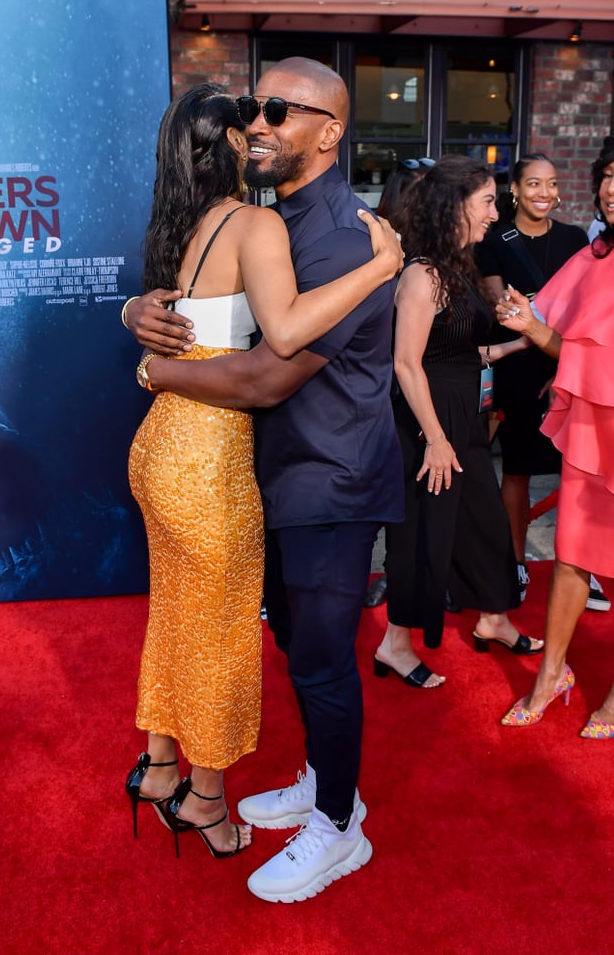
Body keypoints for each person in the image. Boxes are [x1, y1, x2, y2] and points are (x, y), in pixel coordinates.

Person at [124, 56, 405, 900]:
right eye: (255, 108)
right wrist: (138, 312)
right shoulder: (271, 219)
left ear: (330, 130)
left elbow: (265, 376)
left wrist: (154, 373)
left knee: (321, 661)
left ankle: (338, 825)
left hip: (329, 481)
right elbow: (206, 310)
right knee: (294, 648)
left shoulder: (347, 237)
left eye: (279, 111)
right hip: (266, 477)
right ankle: (321, 784)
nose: (258, 124)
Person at [373, 155, 543, 688]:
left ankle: (493, 617)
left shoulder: (459, 266)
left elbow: (461, 354)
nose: (498, 211)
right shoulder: (422, 274)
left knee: (486, 524)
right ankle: (395, 645)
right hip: (430, 424)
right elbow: (406, 363)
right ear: (455, 205)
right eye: (489, 200)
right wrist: (437, 440)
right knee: (423, 534)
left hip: (463, 415)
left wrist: (520, 338)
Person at [499, 140, 614, 735]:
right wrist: (528, 324)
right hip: (595, 432)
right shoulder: (592, 258)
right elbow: (566, 341)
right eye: (609, 177)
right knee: (570, 553)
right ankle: (551, 674)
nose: (613, 190)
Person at [476, 154, 588, 604]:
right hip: (519, 366)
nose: (544, 192)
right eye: (534, 184)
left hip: (569, 363)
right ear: (516, 191)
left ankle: (581, 562)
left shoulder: (576, 239)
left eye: (552, 184)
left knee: (578, 473)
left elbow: (589, 309)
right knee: (519, 468)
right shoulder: (494, 238)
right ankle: (516, 562)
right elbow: (500, 304)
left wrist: (566, 366)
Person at [364, 155, 436, 609]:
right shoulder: (379, 239)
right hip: (385, 380)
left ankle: (405, 573)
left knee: (415, 488)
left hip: (425, 375)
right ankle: (382, 572)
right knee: (387, 486)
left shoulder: (443, 247)